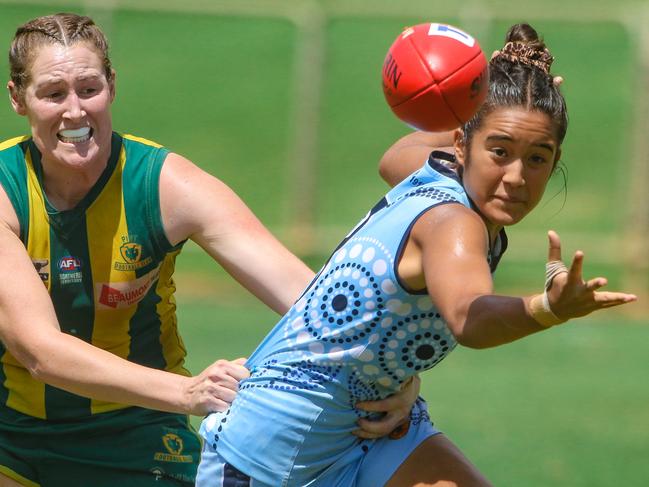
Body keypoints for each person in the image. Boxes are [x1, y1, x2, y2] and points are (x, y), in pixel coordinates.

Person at [196, 23, 637, 486]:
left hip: (371, 426)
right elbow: (470, 317)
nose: (515, 176)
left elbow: (394, 156)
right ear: (462, 144)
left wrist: (489, 112)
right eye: (500, 150)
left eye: (537, 157)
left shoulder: (433, 171)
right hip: (275, 448)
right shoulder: (454, 222)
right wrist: (547, 308)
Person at [0, 13, 418, 487]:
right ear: (18, 99)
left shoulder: (166, 185)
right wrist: (188, 391)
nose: (75, 111)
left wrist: (395, 376)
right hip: (13, 441)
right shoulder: (5, 189)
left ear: (112, 86)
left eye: (89, 88)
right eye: (53, 94)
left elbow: (316, 303)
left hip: (142, 433)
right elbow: (40, 352)